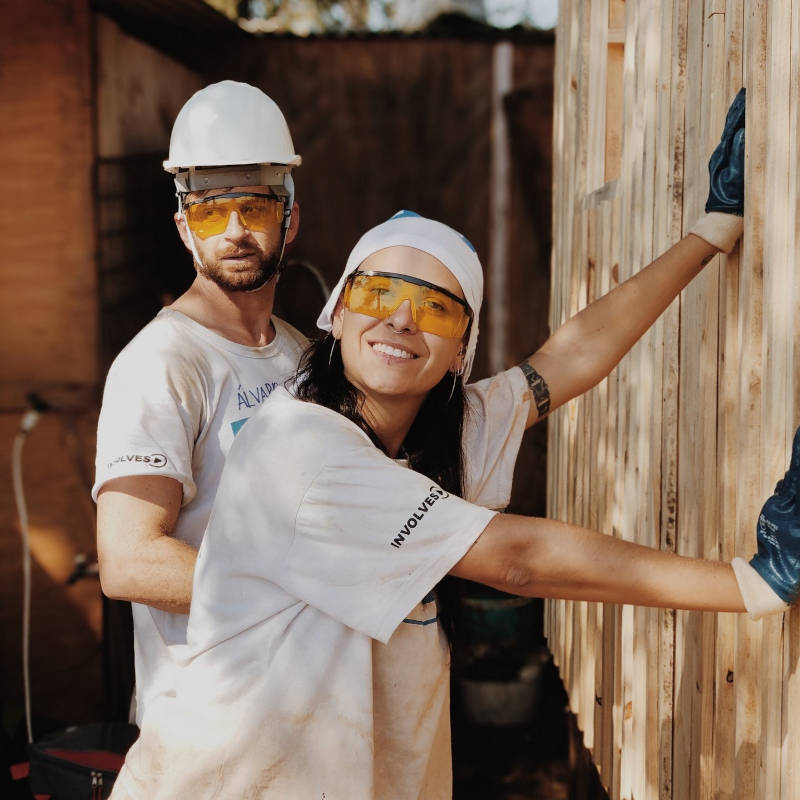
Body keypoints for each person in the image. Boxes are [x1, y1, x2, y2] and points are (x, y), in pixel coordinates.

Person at [92, 81, 308, 725]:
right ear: (186, 228)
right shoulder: (161, 364)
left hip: (297, 706)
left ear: (290, 218)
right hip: (202, 726)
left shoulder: (300, 356)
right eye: (212, 212)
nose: (235, 231)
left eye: (255, 207)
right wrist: (311, 588)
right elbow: (130, 562)